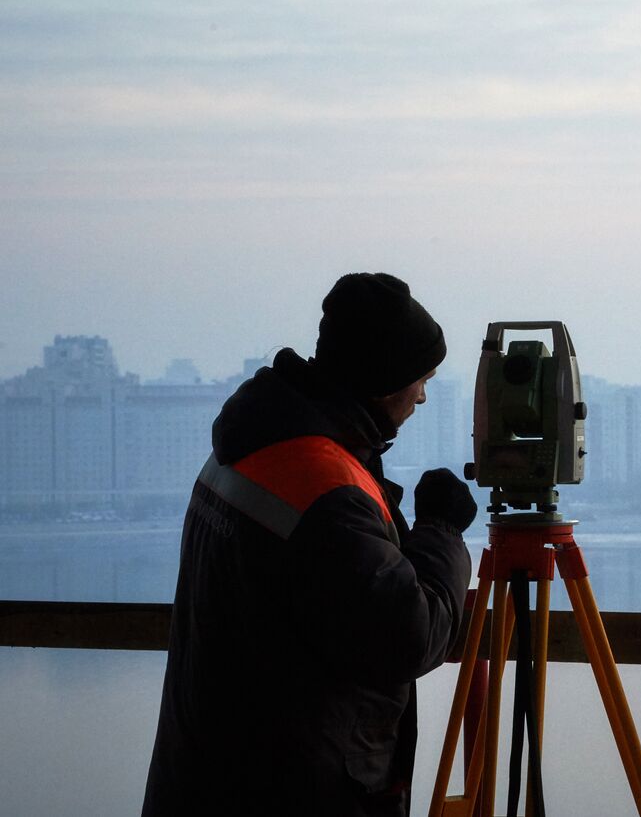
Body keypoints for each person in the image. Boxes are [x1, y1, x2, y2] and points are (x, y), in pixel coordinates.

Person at [142, 273, 478, 817]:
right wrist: (441, 531)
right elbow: (408, 636)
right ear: (385, 380)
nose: (422, 395)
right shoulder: (324, 489)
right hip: (292, 790)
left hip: (208, 775)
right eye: (421, 379)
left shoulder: (253, 444)